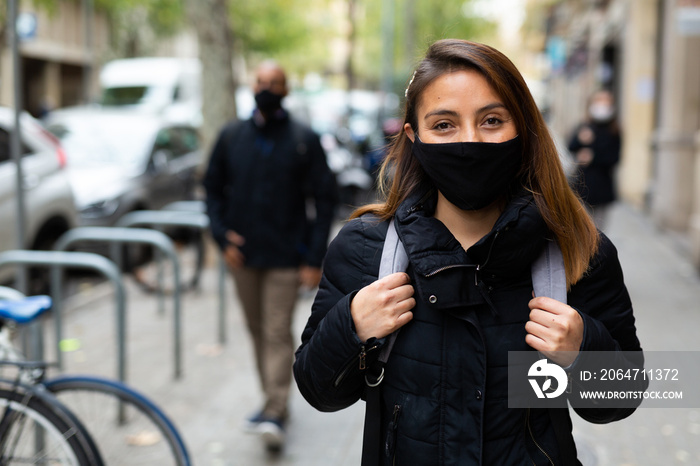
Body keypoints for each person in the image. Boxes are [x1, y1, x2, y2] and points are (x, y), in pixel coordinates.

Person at [294, 40, 644, 465]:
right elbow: (319, 391)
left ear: (523, 129)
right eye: (444, 125)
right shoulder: (365, 250)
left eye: (492, 120)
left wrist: (582, 351)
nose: (470, 141)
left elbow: (621, 398)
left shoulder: (576, 251)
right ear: (414, 135)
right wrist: (351, 326)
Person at [203, 60, 337, 451]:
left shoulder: (303, 139)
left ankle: (275, 411)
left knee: (276, 331)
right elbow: (211, 189)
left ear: (286, 89)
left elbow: (324, 199)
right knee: (256, 330)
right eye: (261, 81)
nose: (266, 88)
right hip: (242, 257)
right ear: (251, 85)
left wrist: (314, 258)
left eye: (274, 82)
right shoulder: (231, 137)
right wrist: (221, 236)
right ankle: (271, 403)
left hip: (285, 257)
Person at [567, 89, 622, 230]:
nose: (602, 104)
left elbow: (614, 158)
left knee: (598, 233)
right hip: (581, 186)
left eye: (606, 101)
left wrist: (593, 157)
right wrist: (580, 139)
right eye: (599, 101)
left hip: (602, 188)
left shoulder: (614, 131)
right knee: (580, 230)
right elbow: (571, 146)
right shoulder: (584, 126)